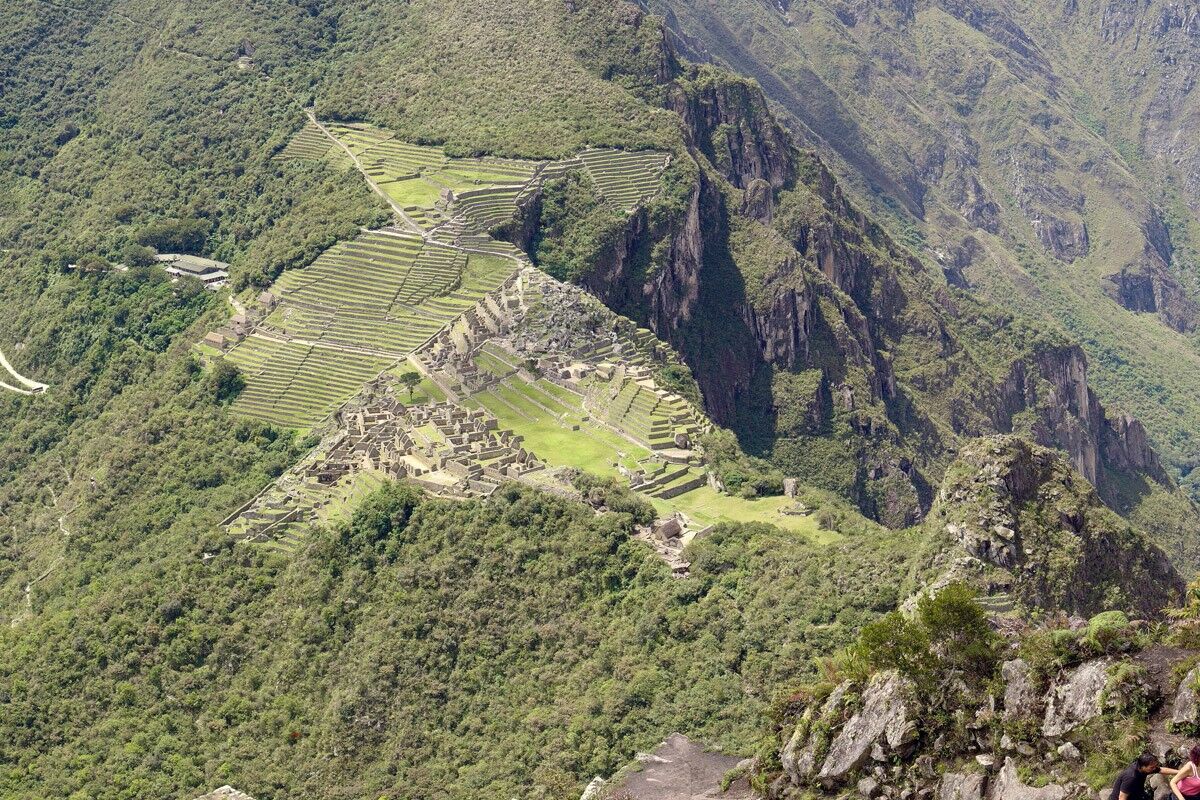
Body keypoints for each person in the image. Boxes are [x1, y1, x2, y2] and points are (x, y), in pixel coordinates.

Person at [1112, 753, 1178, 800]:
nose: (1154, 768)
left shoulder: (1144, 768)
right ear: (1143, 767)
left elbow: (1161, 770)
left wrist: (1181, 772)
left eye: (1155, 766)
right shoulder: (1131, 777)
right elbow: (1122, 797)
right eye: (1152, 767)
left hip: (1137, 794)